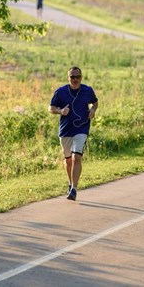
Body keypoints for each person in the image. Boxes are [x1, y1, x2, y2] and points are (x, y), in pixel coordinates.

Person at [49, 66, 98, 201]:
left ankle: (74, 189)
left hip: (82, 128)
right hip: (65, 130)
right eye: (72, 77)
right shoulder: (60, 92)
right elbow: (51, 108)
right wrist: (60, 111)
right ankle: (70, 183)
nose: (75, 79)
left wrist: (93, 110)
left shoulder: (87, 90)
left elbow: (95, 102)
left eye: (78, 77)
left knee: (77, 157)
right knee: (68, 159)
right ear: (68, 77)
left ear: (81, 78)